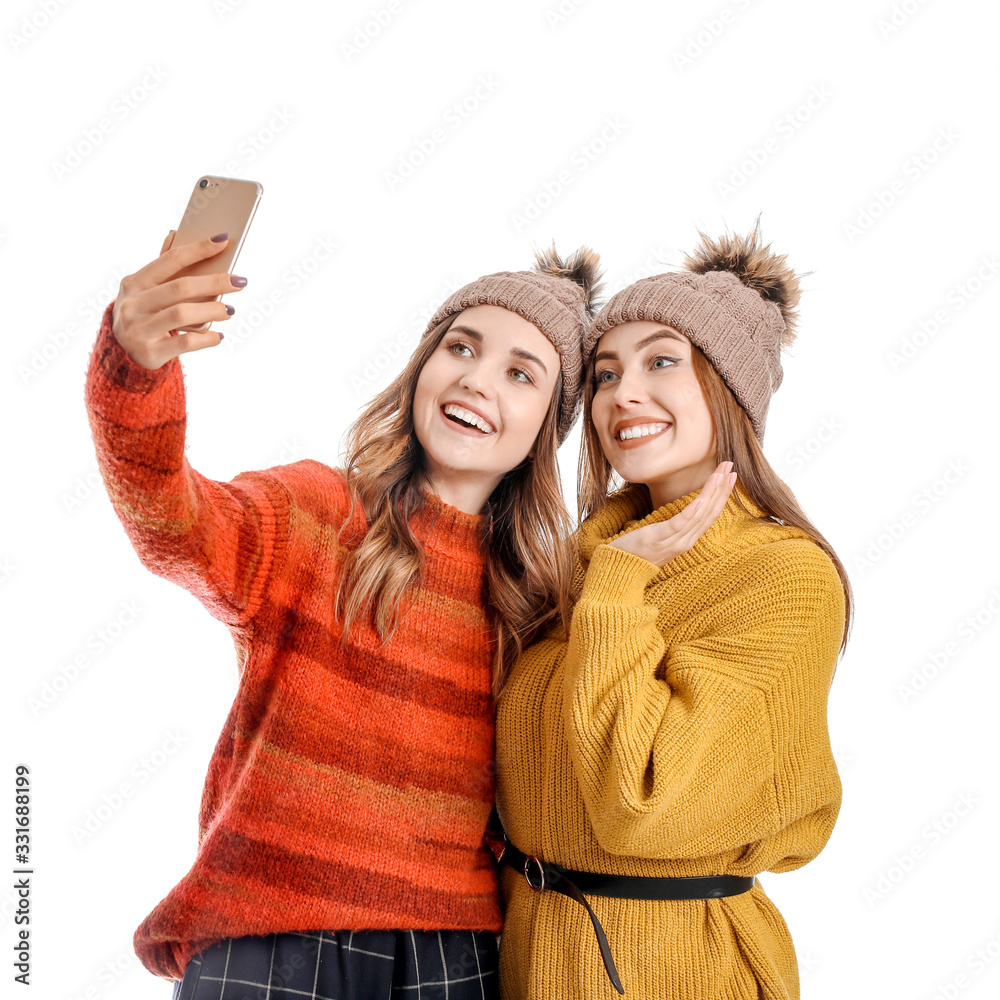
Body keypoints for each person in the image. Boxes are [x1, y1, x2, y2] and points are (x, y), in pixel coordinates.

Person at [83, 229, 602, 999]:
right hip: (271, 942)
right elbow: (170, 522)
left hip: (452, 958)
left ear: (545, 430)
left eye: (520, 372)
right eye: (460, 347)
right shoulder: (319, 512)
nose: (476, 380)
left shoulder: (539, 602)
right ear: (423, 365)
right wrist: (136, 367)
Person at [493, 221, 854, 998]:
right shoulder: (577, 568)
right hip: (528, 956)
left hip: (668, 970)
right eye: (605, 373)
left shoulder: (783, 576)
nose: (624, 394)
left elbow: (643, 804)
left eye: (663, 361)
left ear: (729, 389)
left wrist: (620, 592)